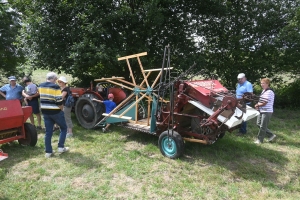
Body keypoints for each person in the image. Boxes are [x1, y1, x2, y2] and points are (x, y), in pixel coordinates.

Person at [38, 72, 69, 158]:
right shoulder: (55, 87)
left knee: (48, 132)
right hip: (55, 111)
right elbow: (59, 101)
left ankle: (48, 152)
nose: (56, 81)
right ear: (54, 79)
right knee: (64, 128)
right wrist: (62, 109)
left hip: (45, 111)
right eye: (55, 80)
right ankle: (60, 147)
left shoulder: (40, 86)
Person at [254, 78, 276, 144]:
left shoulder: (269, 92)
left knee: (263, 126)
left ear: (267, 84)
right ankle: (272, 135)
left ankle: (260, 140)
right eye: (261, 83)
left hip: (267, 111)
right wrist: (258, 106)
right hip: (262, 110)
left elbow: (264, 102)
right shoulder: (264, 91)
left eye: (263, 83)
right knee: (258, 123)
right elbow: (261, 100)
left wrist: (257, 105)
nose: (262, 84)